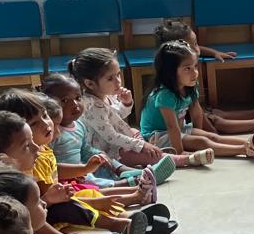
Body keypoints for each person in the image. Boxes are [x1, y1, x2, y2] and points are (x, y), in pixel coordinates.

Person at [0, 89, 150, 234]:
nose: (46, 123)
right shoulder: (25, 166)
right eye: (34, 123)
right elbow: (41, 206)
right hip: (45, 216)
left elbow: (55, 168)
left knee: (87, 191)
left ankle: (128, 219)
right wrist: (90, 202)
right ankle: (118, 226)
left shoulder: (40, 149)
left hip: (52, 205)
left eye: (45, 115)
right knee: (72, 209)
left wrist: (84, 168)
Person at [0, 111, 117, 234]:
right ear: (2, 157)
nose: (36, 148)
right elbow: (32, 231)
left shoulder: (19, 175)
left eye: (32, 140)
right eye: (26, 146)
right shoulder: (5, 189)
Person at [68, 48, 211, 168]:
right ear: (90, 84)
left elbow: (117, 115)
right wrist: (141, 146)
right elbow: (111, 136)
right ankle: (185, 159)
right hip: (110, 151)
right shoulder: (92, 106)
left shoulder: (106, 95)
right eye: (110, 78)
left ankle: (152, 153)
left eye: (118, 75)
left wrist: (126, 104)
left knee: (134, 131)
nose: (118, 81)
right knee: (135, 152)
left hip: (118, 142)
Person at [41, 72, 176, 189]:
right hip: (69, 178)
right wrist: (83, 169)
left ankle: (131, 172)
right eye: (65, 100)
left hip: (83, 168)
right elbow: (49, 165)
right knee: (90, 181)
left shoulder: (79, 125)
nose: (75, 104)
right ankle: (128, 183)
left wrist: (98, 155)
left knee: (105, 160)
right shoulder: (50, 132)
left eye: (77, 98)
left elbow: (85, 149)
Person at [139, 41, 254, 159]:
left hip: (179, 128)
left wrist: (198, 135)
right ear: (170, 72)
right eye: (188, 68)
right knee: (203, 142)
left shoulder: (189, 85)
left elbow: (197, 113)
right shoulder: (165, 95)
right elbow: (171, 126)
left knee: (212, 137)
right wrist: (180, 152)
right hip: (156, 136)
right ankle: (244, 149)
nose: (195, 73)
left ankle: (252, 143)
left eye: (195, 67)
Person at [155, 19, 254, 134]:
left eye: (196, 44)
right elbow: (196, 113)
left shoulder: (181, 60)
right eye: (193, 46)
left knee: (216, 113)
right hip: (182, 119)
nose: (197, 50)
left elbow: (198, 49)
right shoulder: (172, 82)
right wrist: (211, 133)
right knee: (216, 120)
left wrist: (214, 53)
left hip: (191, 114)